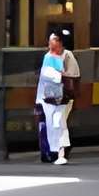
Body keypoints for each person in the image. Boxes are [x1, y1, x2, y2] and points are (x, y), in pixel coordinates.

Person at [34, 26, 75, 166]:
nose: (51, 42)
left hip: (61, 97)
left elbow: (73, 76)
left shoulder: (67, 55)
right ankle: (53, 153)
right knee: (50, 125)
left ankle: (61, 153)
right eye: (51, 40)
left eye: (55, 40)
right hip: (47, 97)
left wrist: (58, 75)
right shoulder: (48, 57)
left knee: (58, 123)